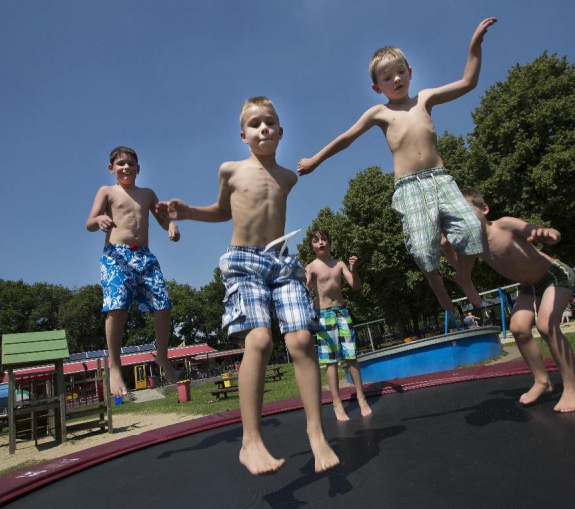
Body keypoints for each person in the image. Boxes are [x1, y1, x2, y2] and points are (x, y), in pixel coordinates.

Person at [158, 97, 339, 475]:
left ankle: (316, 431)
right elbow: (224, 210)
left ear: (280, 131)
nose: (263, 129)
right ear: (243, 135)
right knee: (259, 340)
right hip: (243, 260)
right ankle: (251, 441)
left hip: (281, 261)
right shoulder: (231, 170)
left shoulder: (287, 176)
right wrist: (188, 212)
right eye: (255, 125)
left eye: (270, 123)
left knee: (303, 341)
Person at [298, 18, 497, 318]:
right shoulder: (380, 112)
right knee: (422, 250)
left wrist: (475, 46)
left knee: (473, 230)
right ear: (377, 87)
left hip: (441, 179)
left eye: (401, 72)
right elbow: (346, 138)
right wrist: (315, 159)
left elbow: (468, 81)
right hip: (410, 186)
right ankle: (437, 284)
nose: (396, 79)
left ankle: (463, 277)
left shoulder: (425, 99)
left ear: (410, 72)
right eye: (387, 77)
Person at [461, 188, 575, 413]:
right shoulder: (472, 246)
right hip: (529, 286)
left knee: (546, 326)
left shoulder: (504, 225)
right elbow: (461, 271)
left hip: (555, 276)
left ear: (484, 209)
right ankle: (542, 381)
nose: (464, 219)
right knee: (518, 328)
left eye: (468, 212)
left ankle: (573, 387)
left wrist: (549, 234)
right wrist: (468, 288)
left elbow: (544, 231)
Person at [86, 146, 180, 398]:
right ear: (111, 169)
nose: (126, 167)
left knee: (164, 305)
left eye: (131, 164)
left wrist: (170, 224)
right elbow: (90, 223)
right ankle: (114, 366)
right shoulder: (107, 191)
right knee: (117, 308)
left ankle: (162, 357)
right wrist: (99, 221)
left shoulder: (147, 193)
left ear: (138, 168)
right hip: (116, 255)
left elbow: (161, 217)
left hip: (144, 256)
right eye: (120, 164)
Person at [305, 228, 372, 421]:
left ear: (329, 242)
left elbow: (356, 286)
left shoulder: (338, 264)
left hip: (342, 313)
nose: (320, 243)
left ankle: (361, 398)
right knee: (331, 361)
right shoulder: (312, 267)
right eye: (316, 240)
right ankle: (337, 403)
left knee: (351, 356)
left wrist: (354, 269)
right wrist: (301, 279)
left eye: (323, 239)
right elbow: (306, 285)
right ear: (312, 245)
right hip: (324, 316)